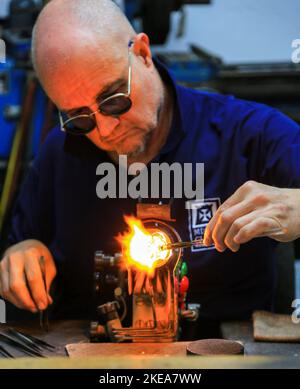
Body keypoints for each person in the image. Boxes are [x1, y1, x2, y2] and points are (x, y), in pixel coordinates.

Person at [1, 0, 300, 330]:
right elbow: (21, 243)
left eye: (113, 99)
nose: (105, 130)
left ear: (143, 53)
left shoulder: (247, 135)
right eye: (80, 118)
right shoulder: (60, 153)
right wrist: (23, 253)